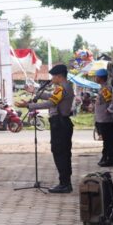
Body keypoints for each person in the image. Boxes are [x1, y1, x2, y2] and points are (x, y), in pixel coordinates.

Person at [17, 64, 75, 193]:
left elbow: (51, 103)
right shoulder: (64, 87)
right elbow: (51, 96)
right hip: (61, 123)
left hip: (60, 123)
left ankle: (65, 184)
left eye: (53, 76)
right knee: (62, 153)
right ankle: (65, 182)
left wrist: (30, 105)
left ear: (59, 76)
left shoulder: (62, 87)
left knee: (60, 153)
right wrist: (35, 92)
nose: (52, 78)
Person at [93, 68, 113, 167]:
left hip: (106, 120)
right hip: (101, 119)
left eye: (96, 76)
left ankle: (108, 158)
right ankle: (106, 157)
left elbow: (111, 102)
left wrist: (108, 110)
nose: (94, 78)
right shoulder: (102, 88)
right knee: (106, 140)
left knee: (108, 140)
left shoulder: (105, 89)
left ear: (100, 78)